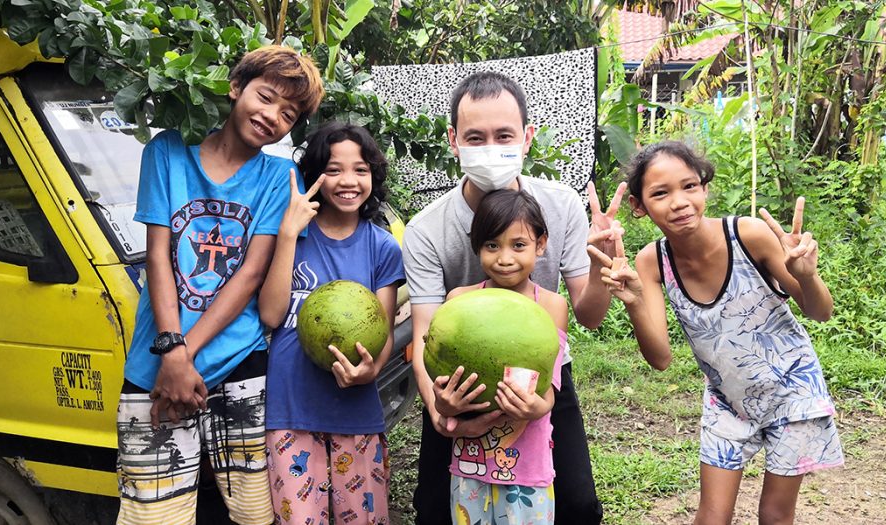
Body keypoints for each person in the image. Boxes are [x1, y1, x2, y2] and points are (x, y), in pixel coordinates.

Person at [402, 71, 623, 525]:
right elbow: (423, 333)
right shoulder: (427, 228)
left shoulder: (560, 208)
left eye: (503, 135)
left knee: (578, 507)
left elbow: (589, 314)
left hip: (537, 377)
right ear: (453, 140)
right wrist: (444, 413)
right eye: (475, 137)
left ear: (527, 138)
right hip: (457, 383)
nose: (490, 147)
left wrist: (601, 267)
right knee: (432, 512)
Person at [116, 46, 324, 525]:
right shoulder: (167, 151)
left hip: (239, 362)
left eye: (288, 113)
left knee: (252, 511)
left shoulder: (280, 177)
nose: (272, 116)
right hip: (156, 365)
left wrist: (185, 352)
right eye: (265, 97)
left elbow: (251, 274)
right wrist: (171, 353)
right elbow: (159, 256)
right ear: (236, 89)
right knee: (153, 512)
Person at [592, 141, 844, 524]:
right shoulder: (651, 262)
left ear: (705, 189)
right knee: (711, 517)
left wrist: (807, 276)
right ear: (639, 206)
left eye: (689, 186)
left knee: (775, 515)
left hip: (792, 392)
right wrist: (634, 301)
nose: (679, 202)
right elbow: (660, 359)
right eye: (660, 193)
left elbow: (820, 311)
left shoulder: (749, 235)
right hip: (728, 401)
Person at [258, 122, 403, 524]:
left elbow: (384, 332)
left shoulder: (382, 247)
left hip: (355, 413)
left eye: (360, 169)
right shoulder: (291, 236)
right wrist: (288, 234)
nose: (348, 181)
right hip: (291, 413)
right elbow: (271, 315)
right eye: (334, 169)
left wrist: (370, 369)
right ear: (315, 175)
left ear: (373, 175)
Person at [435, 189, 567, 525]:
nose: (504, 257)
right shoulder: (459, 301)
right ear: (477, 246)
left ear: (541, 244)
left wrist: (535, 407)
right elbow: (444, 389)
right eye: (492, 245)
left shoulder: (551, 306)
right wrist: (446, 405)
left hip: (526, 468)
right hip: (470, 466)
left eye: (518, 245)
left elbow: (549, 391)